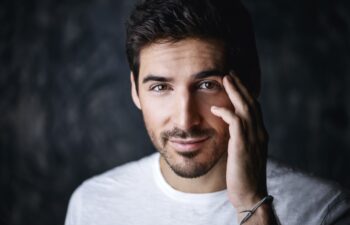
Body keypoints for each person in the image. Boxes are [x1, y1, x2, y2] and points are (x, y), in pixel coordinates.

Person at [65, 0, 350, 224]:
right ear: (134, 90)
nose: (185, 120)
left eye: (206, 85)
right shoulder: (92, 203)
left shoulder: (323, 211)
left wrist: (252, 204)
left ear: (251, 83)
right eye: (161, 87)